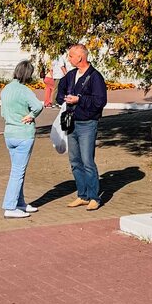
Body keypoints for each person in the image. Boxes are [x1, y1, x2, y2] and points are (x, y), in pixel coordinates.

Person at [55, 43, 107, 211]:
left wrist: (79, 100)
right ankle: (82, 195)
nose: (68, 58)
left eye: (71, 56)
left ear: (80, 57)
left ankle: (94, 197)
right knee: (75, 161)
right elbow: (59, 93)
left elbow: (100, 101)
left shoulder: (95, 77)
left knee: (87, 161)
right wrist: (64, 98)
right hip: (71, 122)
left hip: (87, 123)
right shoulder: (70, 75)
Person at [0, 60, 43, 219]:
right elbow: (38, 106)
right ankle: (10, 206)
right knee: (17, 172)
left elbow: (3, 113)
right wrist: (30, 116)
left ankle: (20, 202)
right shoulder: (25, 90)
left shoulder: (5, 89)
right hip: (23, 134)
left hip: (9, 133)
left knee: (18, 171)